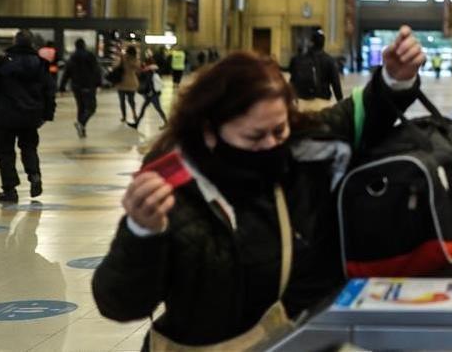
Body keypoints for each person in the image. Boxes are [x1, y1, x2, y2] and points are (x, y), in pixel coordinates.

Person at [93, 27, 426, 349]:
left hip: (297, 340)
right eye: (254, 137)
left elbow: (359, 113)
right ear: (209, 131)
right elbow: (119, 302)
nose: (271, 144)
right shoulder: (171, 190)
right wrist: (141, 233)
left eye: (278, 130)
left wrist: (396, 77)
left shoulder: (300, 149)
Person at [0, 30, 55, 203]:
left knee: (4, 152)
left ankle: (10, 189)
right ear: (31, 44)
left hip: (4, 116)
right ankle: (34, 175)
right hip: (30, 115)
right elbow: (49, 91)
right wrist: (47, 114)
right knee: (29, 147)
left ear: (14, 42)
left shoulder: (0, 62)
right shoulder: (41, 64)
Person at [288, 29, 343, 112]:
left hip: (303, 102)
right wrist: (341, 103)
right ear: (324, 43)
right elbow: (336, 84)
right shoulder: (329, 60)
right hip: (322, 103)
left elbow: (292, 81)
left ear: (311, 42)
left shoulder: (299, 59)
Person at [60, 38, 102, 138]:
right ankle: (81, 124)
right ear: (84, 45)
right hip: (88, 85)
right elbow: (96, 69)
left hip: (76, 86)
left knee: (81, 107)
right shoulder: (90, 55)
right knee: (92, 108)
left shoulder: (72, 57)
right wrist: (98, 83)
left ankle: (82, 130)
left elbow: (67, 73)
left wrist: (62, 86)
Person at [129, 58, 168, 129]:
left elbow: (149, 83)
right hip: (152, 94)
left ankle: (167, 122)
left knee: (158, 108)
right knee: (145, 108)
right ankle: (137, 124)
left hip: (152, 94)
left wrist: (149, 92)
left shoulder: (148, 72)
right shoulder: (151, 71)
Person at [114, 46, 141, 125]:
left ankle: (124, 116)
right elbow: (138, 69)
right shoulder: (135, 59)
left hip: (121, 82)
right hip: (132, 82)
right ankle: (134, 114)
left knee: (122, 101)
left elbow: (115, 66)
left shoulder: (122, 58)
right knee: (131, 100)